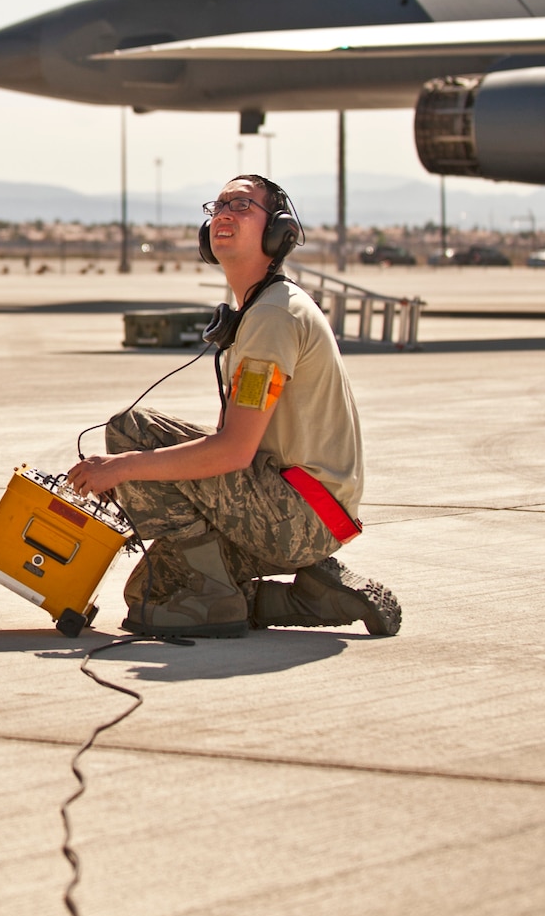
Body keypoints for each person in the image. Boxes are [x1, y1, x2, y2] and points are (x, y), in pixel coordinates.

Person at [66, 174, 400, 637]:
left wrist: (123, 468)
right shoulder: (259, 310)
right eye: (218, 205)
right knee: (148, 595)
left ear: (277, 232)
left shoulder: (273, 317)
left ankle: (219, 597)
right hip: (296, 508)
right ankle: (306, 598)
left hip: (299, 513)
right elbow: (233, 446)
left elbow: (234, 451)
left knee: (132, 431)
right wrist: (131, 469)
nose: (223, 213)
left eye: (242, 205)